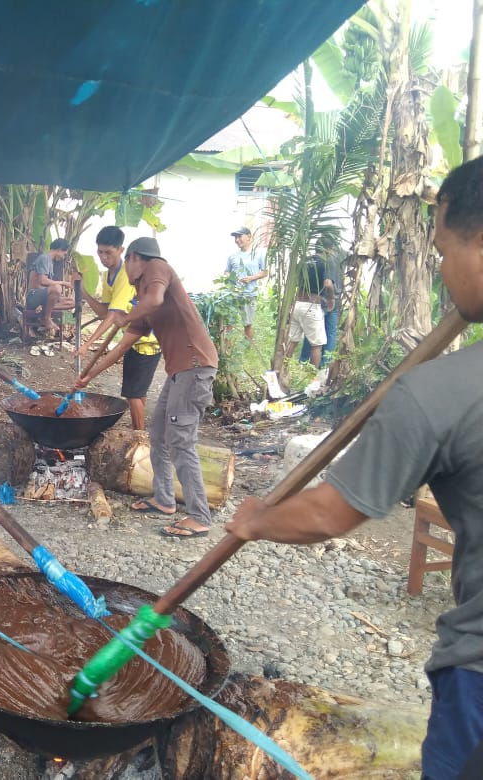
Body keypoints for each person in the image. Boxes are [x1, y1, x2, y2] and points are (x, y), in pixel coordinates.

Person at [227, 156, 483, 780]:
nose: (442, 271)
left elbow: (331, 512)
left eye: (445, 251)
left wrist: (259, 520)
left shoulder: (437, 396)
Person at [77, 237, 217, 537]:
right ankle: (165, 499)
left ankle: (199, 516)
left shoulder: (158, 268)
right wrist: (89, 376)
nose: (123, 269)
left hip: (195, 367)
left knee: (181, 441)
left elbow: (153, 300)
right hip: (178, 372)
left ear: (134, 258)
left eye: (125, 261)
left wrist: (123, 315)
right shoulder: (144, 299)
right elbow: (120, 347)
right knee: (158, 434)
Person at [76, 227, 161, 430]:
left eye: (108, 253)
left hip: (146, 342)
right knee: (136, 392)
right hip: (132, 338)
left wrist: (87, 344)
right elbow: (104, 313)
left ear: (121, 250)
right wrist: (84, 292)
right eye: (100, 252)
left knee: (133, 394)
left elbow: (114, 316)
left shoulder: (124, 275)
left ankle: (138, 437)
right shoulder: (107, 276)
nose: (103, 257)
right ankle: (138, 433)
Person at [285, 253, 334, 369]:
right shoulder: (325, 263)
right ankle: (312, 378)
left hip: (297, 304)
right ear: (328, 249)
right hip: (312, 306)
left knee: (292, 341)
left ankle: (282, 370)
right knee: (317, 345)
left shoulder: (303, 261)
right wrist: (331, 297)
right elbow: (328, 283)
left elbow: (293, 282)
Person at [301, 234, 343, 365]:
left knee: (312, 332)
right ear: (331, 248)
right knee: (330, 333)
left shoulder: (316, 261)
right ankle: (324, 364)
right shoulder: (339, 256)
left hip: (319, 300)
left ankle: (303, 360)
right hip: (332, 299)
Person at [225, 226, 267, 340]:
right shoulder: (232, 256)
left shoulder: (259, 253)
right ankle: (227, 351)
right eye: (235, 237)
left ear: (249, 237)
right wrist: (232, 278)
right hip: (233, 294)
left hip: (249, 295)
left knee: (247, 324)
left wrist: (252, 278)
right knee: (229, 323)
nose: (237, 240)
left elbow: (264, 272)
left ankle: (247, 348)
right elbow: (227, 272)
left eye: (239, 236)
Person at [24, 238, 70, 337]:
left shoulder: (50, 262)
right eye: (64, 254)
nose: (63, 257)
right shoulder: (44, 258)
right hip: (33, 295)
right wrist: (63, 283)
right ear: (59, 250)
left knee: (72, 302)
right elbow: (43, 281)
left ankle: (43, 308)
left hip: (43, 297)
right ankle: (46, 317)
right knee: (57, 288)